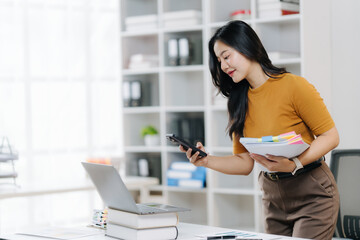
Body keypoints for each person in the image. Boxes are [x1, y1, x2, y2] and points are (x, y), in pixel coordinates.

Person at [179, 20, 340, 239]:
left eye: (226, 56)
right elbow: (245, 163)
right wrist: (207, 160)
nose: (223, 66)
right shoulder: (237, 102)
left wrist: (294, 164)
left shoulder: (294, 86)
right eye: (219, 61)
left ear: (247, 46)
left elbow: (330, 136)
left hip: (312, 193)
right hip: (273, 198)